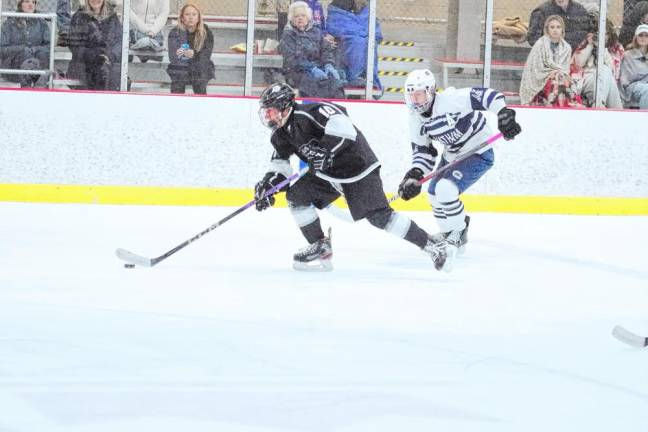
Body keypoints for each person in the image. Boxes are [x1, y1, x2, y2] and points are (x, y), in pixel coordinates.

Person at [253, 82, 452, 272]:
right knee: (297, 197)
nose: (267, 116)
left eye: (270, 110)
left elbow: (344, 126)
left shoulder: (311, 113)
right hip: (328, 174)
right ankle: (320, 245)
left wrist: (327, 150)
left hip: (358, 167)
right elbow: (280, 166)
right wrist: (269, 187)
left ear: (284, 106)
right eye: (265, 112)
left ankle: (432, 245)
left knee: (379, 217)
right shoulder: (280, 135)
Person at [397, 69, 521, 258]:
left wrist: (504, 114)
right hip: (453, 155)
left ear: (430, 92)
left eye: (419, 94)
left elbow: (488, 95)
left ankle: (458, 234)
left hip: (478, 151)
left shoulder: (451, 100)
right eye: (411, 94)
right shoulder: (415, 119)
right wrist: (414, 174)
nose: (415, 100)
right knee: (433, 195)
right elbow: (424, 152)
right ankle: (448, 233)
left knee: (445, 189)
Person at [279, 1, 344, 99]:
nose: (300, 18)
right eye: (296, 16)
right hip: (297, 72)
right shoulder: (288, 35)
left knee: (336, 83)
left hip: (319, 69)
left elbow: (326, 50)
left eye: (303, 15)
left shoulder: (316, 32)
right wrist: (311, 68)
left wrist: (328, 64)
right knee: (314, 85)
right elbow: (291, 60)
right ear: (291, 19)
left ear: (308, 17)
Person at [519, 15, 579, 106]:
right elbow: (535, 68)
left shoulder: (567, 48)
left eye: (558, 27)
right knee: (556, 84)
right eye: (552, 27)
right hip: (541, 79)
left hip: (559, 78)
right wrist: (550, 73)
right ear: (547, 29)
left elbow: (566, 69)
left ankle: (565, 109)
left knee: (564, 83)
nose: (555, 30)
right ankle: (554, 109)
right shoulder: (540, 44)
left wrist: (557, 73)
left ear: (562, 29)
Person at [570, 15, 624, 108]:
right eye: (598, 34)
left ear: (610, 34)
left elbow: (614, 71)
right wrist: (590, 45)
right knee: (605, 74)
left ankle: (598, 104)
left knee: (605, 70)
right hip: (588, 80)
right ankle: (613, 111)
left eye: (604, 34)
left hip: (607, 81)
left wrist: (602, 48)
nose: (601, 37)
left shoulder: (616, 48)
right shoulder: (585, 44)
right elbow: (578, 64)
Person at [67, 0, 123, 90]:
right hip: (84, 64)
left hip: (108, 62)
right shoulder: (79, 17)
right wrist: (93, 55)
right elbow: (74, 44)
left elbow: (120, 42)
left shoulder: (113, 17)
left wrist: (111, 56)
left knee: (116, 76)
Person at [327, 0, 382, 90]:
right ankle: (355, 77)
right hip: (345, 42)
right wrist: (361, 33)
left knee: (370, 43)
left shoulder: (367, 8)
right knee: (357, 42)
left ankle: (369, 79)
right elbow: (337, 26)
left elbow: (375, 29)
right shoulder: (337, 6)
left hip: (361, 38)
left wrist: (362, 34)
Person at [0, 0, 51, 88]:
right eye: (27, 1)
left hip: (37, 65)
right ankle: (38, 85)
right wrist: (22, 49)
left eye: (33, 2)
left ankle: (32, 86)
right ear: (20, 4)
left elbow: (48, 46)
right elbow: (2, 49)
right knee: (25, 54)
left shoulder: (42, 23)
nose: (31, 5)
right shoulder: (9, 23)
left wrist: (34, 50)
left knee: (41, 54)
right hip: (15, 67)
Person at [166, 3, 215, 95]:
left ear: (198, 17)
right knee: (178, 78)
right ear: (182, 18)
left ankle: (200, 103)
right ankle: (176, 103)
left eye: (194, 14)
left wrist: (194, 54)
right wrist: (178, 53)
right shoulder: (175, 32)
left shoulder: (206, 32)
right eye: (187, 14)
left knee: (199, 77)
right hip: (181, 67)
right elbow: (171, 56)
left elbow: (206, 54)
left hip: (199, 67)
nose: (191, 17)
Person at [527, 0, 592, 50]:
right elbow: (533, 39)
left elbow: (588, 32)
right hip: (552, 60)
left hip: (577, 59)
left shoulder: (580, 10)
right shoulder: (541, 11)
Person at [619, 24, 648, 108]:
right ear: (636, 37)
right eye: (641, 35)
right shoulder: (628, 55)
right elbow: (627, 80)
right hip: (632, 88)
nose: (643, 37)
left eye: (646, 35)